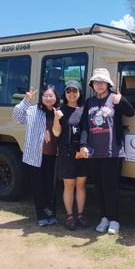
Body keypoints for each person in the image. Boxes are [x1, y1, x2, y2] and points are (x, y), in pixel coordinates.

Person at [79, 68, 135, 235]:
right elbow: (84, 126)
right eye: (96, 82)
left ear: (108, 84)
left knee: (111, 188)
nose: (99, 84)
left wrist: (122, 100)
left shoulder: (114, 100)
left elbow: (131, 112)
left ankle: (114, 220)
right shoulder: (89, 102)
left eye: (102, 82)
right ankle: (104, 218)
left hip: (113, 152)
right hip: (94, 152)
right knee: (98, 187)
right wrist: (83, 145)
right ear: (92, 84)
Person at [12, 85, 60, 227]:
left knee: (51, 187)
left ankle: (51, 215)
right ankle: (42, 216)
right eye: (45, 95)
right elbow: (16, 117)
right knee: (38, 186)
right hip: (35, 155)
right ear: (41, 97)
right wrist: (25, 100)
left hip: (54, 155)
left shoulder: (59, 112)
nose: (48, 98)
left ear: (56, 97)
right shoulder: (32, 110)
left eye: (51, 95)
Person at [52, 80, 89, 230]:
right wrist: (56, 118)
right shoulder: (60, 110)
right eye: (68, 91)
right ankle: (69, 215)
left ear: (80, 93)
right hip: (66, 151)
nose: (72, 94)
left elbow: (87, 130)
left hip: (82, 151)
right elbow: (56, 133)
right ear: (65, 94)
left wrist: (84, 146)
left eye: (75, 91)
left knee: (81, 185)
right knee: (69, 185)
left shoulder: (84, 110)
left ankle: (80, 214)